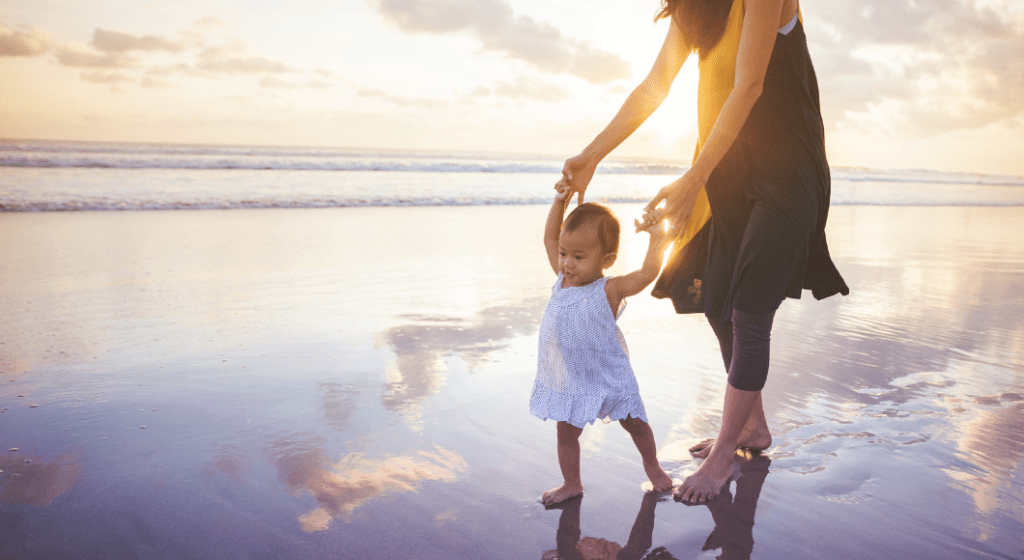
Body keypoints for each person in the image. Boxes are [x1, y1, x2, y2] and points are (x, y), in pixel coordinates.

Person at [556, 0, 849, 503]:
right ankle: (752, 428)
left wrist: (694, 177)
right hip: (728, 172)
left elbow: (749, 85)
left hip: (787, 169)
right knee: (718, 301)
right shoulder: (695, 9)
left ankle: (724, 457)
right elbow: (654, 87)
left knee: (751, 306)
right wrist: (590, 156)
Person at [530, 187, 675, 506]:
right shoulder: (563, 278)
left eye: (579, 257)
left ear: (606, 259)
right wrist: (559, 201)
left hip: (609, 375)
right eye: (564, 254)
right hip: (572, 377)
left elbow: (648, 273)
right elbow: (549, 238)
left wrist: (656, 238)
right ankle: (571, 483)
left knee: (635, 423)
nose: (567, 263)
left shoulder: (608, 290)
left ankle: (652, 465)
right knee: (565, 434)